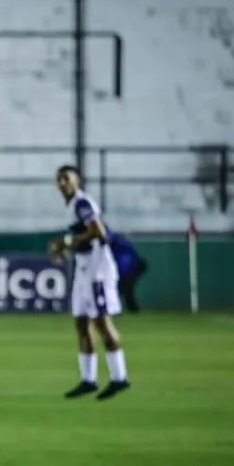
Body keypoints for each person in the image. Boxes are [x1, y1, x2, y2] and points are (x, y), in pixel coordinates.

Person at [48, 166, 131, 400]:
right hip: (84, 271)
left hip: (98, 272)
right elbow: (83, 237)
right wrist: (66, 246)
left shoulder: (82, 203)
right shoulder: (72, 205)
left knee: (102, 323)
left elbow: (98, 231)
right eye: (59, 179)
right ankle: (89, 379)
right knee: (82, 323)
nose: (62, 182)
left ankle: (119, 377)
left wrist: (65, 242)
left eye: (66, 178)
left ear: (77, 180)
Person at [109, 231, 147, 313]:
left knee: (124, 291)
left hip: (125, 273)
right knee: (125, 291)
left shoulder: (122, 247)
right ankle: (130, 308)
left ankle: (128, 308)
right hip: (124, 273)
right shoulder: (124, 247)